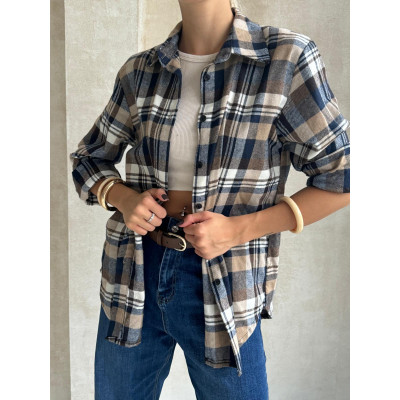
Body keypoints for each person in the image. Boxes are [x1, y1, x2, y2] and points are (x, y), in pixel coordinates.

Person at [69, 0, 350, 398]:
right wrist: (123, 198)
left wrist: (238, 230)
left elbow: (343, 176)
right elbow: (88, 159)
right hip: (133, 274)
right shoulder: (140, 71)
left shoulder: (284, 59)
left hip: (225, 280)